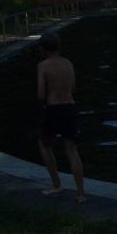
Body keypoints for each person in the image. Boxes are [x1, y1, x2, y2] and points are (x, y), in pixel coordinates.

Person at [36, 32, 86, 203]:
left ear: (43, 49)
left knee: (44, 144)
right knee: (72, 150)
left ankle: (56, 184)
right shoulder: (68, 63)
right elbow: (73, 88)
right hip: (70, 107)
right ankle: (80, 193)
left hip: (53, 108)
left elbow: (41, 94)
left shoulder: (43, 66)